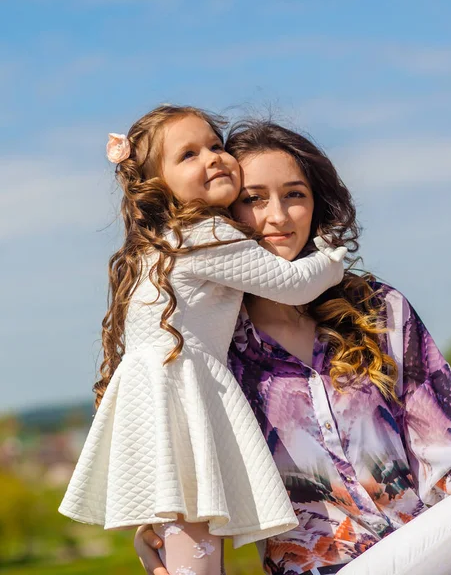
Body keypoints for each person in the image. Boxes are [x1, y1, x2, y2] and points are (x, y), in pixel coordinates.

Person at [135, 120, 451, 575]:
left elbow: (447, 462)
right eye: (252, 199)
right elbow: (186, 473)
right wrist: (161, 533)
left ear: (316, 206)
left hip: (431, 547)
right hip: (325, 567)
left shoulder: (377, 309)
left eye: (295, 195)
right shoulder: (214, 345)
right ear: (221, 212)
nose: (277, 216)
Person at [58, 106, 350, 575]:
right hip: (184, 389)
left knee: (189, 538)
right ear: (157, 182)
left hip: (158, 390)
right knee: (195, 527)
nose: (212, 158)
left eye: (215, 145)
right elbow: (291, 283)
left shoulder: (162, 242)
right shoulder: (209, 235)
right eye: (189, 155)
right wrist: (331, 260)